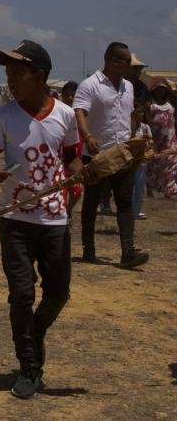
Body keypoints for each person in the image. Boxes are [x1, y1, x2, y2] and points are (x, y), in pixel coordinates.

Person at [0, 39, 82, 400]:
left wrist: (75, 179)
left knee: (57, 293)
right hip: (16, 220)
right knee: (21, 295)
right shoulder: (5, 117)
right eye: (7, 73)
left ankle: (34, 334)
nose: (10, 80)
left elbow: (73, 159)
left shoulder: (66, 116)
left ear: (39, 76)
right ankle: (29, 367)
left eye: (18, 73)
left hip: (54, 221)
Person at [73, 42, 148, 268]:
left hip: (122, 153)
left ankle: (128, 252)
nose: (131, 66)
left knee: (124, 202)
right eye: (127, 61)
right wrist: (87, 136)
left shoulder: (129, 86)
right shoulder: (90, 85)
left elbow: (127, 117)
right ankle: (88, 248)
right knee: (92, 201)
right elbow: (80, 111)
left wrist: (137, 130)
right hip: (97, 154)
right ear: (113, 61)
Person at [145, 78, 177, 198]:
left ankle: (169, 189)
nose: (161, 92)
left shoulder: (171, 103)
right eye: (159, 89)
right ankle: (149, 189)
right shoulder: (150, 104)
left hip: (169, 138)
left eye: (163, 89)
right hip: (155, 138)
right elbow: (147, 120)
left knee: (170, 163)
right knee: (152, 164)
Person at [131, 102, 152, 220]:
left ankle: (135, 212)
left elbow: (150, 142)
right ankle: (129, 212)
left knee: (139, 189)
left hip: (141, 162)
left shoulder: (145, 127)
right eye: (139, 112)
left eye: (142, 112)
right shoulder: (128, 127)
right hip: (129, 162)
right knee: (130, 189)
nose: (141, 114)